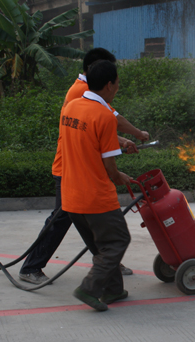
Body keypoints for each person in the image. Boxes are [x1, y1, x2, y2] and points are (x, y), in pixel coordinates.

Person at [19, 48, 149, 285]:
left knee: (91, 221)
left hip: (74, 164)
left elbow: (95, 127)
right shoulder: (83, 91)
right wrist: (137, 135)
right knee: (63, 218)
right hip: (71, 167)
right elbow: (106, 121)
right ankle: (31, 267)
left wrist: (120, 140)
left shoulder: (85, 92)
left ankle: (108, 261)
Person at [62, 59, 131, 311]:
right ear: (110, 85)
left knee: (100, 247)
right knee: (117, 241)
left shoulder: (71, 107)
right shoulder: (104, 116)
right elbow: (109, 166)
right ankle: (88, 289)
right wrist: (120, 177)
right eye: (117, 83)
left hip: (71, 197)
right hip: (96, 198)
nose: (118, 87)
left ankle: (113, 290)